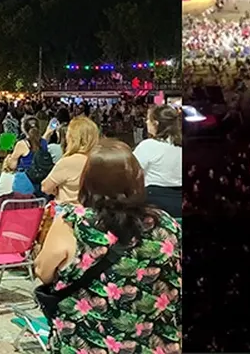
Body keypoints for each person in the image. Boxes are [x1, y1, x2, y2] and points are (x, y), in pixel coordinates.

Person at [34, 140, 181, 354]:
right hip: (153, 343)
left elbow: (43, 272)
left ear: (88, 181)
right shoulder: (165, 223)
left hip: (84, 342)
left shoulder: (73, 223)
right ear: (137, 179)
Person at [42, 115, 100, 206]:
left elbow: (45, 187)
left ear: (72, 138)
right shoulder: (99, 161)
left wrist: (55, 191)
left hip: (67, 212)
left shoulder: (67, 162)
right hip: (90, 211)